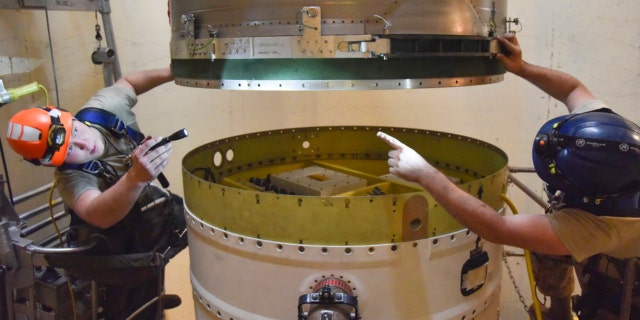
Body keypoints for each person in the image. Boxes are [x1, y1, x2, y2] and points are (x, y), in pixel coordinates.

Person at [377, 33, 640, 320]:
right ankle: (559, 310)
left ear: (592, 191)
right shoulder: (609, 139)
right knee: (549, 236)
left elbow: (497, 227)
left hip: (628, 266)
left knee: (605, 301)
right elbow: (572, 88)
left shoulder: (602, 225)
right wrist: (521, 67)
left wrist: (424, 173)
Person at [6, 67, 188, 319]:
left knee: (154, 256)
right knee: (123, 295)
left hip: (143, 222)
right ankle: (140, 306)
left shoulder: (103, 110)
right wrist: (135, 177)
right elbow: (97, 213)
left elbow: (129, 83)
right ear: (54, 162)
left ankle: (151, 295)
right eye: (70, 150)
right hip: (111, 245)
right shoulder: (70, 177)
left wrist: (173, 71)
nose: (84, 143)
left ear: (70, 117)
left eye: (76, 132)